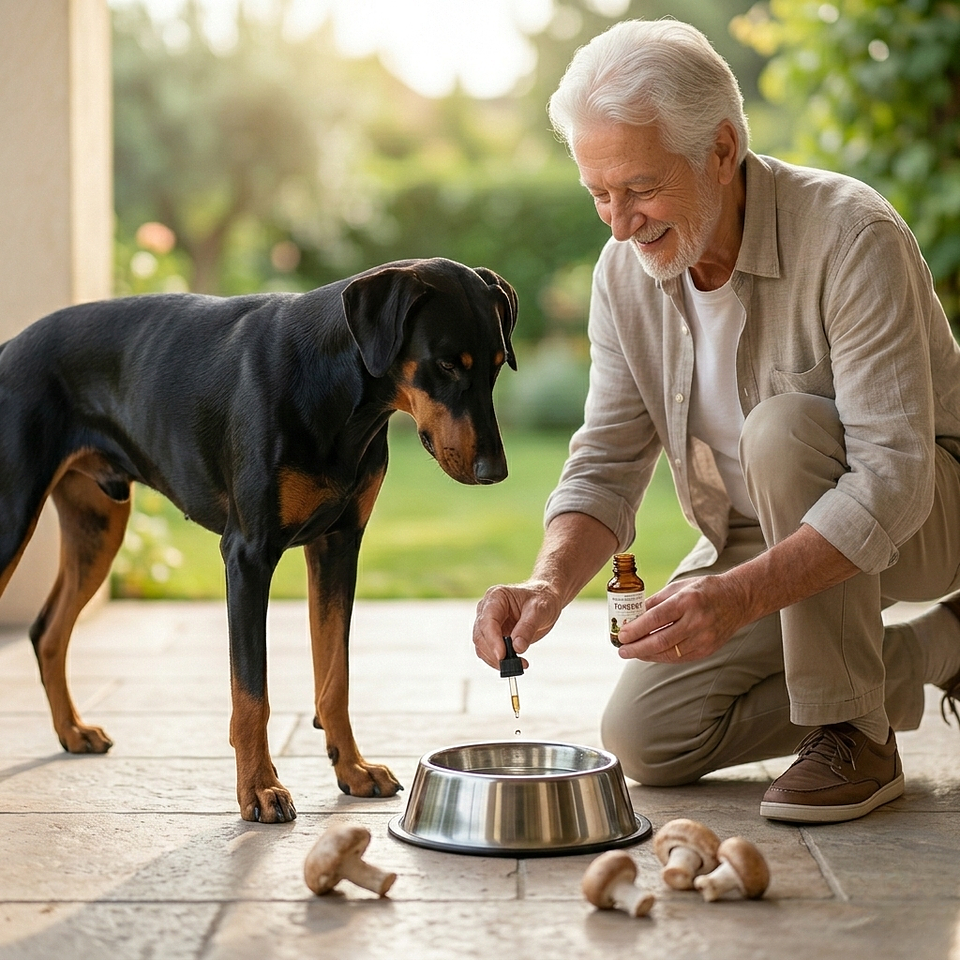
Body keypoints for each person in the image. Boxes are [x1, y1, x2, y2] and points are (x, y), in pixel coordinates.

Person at [472, 18, 960, 824]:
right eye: (598, 194)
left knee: (781, 431)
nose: (619, 222)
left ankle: (855, 735)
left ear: (722, 149)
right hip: (758, 529)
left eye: (639, 188)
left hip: (931, 515)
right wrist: (547, 584)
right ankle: (943, 647)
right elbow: (607, 459)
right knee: (647, 740)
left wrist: (735, 599)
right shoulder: (622, 275)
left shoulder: (850, 233)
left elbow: (893, 480)